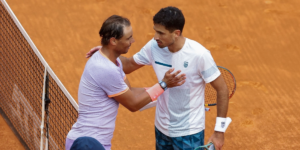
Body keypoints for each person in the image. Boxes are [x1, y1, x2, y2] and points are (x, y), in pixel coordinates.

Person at [87, 7, 230, 150]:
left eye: (161, 33)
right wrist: (107, 52)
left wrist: (219, 132)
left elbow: (222, 89)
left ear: (176, 33)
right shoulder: (154, 47)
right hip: (161, 129)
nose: (155, 36)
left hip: (189, 132)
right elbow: (129, 64)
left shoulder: (199, 55)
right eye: (155, 31)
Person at [66, 15, 186, 150]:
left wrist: (168, 93)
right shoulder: (105, 68)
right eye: (128, 38)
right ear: (113, 41)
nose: (132, 41)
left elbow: (131, 92)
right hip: (87, 145)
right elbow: (133, 103)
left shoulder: (112, 61)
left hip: (96, 142)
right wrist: (163, 85)